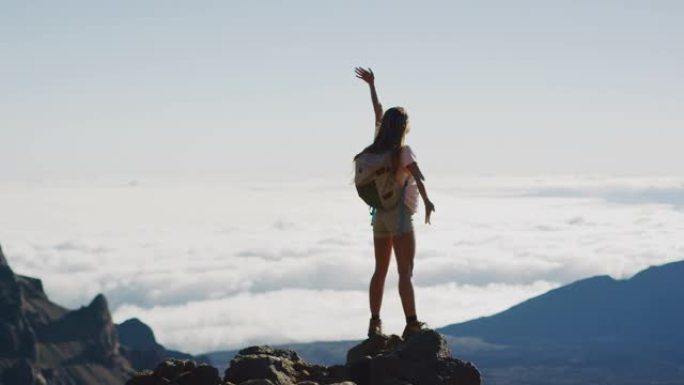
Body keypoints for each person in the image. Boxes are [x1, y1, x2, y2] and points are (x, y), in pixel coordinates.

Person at [353, 67, 436, 340]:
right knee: (405, 272)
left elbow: (377, 109)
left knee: (380, 270)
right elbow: (418, 175)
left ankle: (374, 322)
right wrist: (426, 201)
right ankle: (411, 323)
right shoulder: (402, 151)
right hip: (399, 216)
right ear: (404, 127)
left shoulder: (377, 144)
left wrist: (372, 85)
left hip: (379, 216)